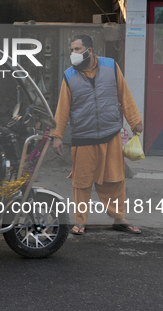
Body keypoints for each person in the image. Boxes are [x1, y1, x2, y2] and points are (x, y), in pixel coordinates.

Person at [52, 35, 143, 235]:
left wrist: (135, 120)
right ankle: (80, 221)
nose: (73, 54)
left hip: (110, 134)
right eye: (72, 49)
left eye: (77, 49)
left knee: (115, 179)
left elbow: (124, 94)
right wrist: (57, 135)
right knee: (81, 182)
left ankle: (119, 219)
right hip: (83, 136)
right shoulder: (69, 75)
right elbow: (62, 108)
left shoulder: (111, 67)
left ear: (89, 51)